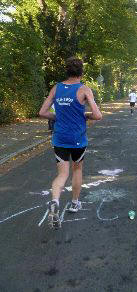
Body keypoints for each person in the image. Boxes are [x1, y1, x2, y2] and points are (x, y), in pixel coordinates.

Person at [39, 57, 102, 229]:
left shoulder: (56, 88)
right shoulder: (84, 89)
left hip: (59, 138)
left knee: (61, 175)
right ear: (81, 72)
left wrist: (57, 116)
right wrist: (86, 115)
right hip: (77, 139)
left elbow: (43, 112)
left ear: (67, 71)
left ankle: (54, 201)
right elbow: (97, 115)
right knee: (77, 169)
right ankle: (74, 203)